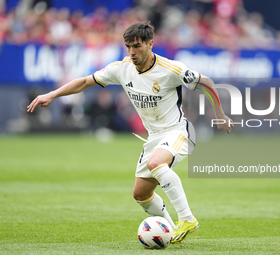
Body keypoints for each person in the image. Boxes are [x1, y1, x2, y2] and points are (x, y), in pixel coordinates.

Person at [27, 21, 233, 244]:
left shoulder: (171, 69)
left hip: (178, 131)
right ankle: (170, 230)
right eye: (128, 46)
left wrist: (220, 115)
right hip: (154, 137)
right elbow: (86, 81)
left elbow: (207, 82)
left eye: (137, 46)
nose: (132, 52)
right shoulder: (121, 68)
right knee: (141, 195)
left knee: (156, 163)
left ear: (150, 44)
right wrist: (52, 94)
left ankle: (187, 218)